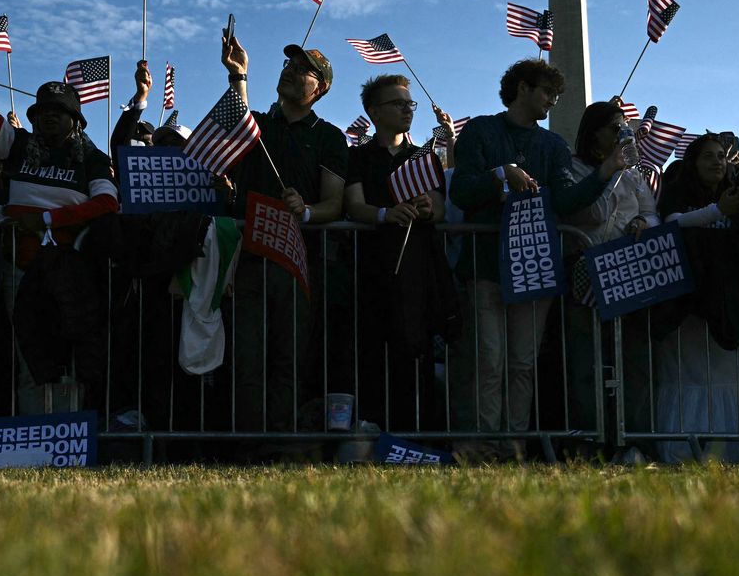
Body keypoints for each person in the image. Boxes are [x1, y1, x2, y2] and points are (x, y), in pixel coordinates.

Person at [448, 57, 626, 457]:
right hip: (486, 265)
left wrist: (607, 171)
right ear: (523, 88)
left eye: (557, 94)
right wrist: (501, 174)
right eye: (547, 91)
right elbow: (461, 191)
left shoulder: (553, 145)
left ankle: (511, 444)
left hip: (536, 265)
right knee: (488, 361)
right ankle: (480, 446)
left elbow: (565, 200)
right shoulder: (480, 130)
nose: (553, 100)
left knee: (522, 363)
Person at [0, 21, 120, 417]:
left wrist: (49, 220)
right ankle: (35, 438)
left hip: (71, 272)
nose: (49, 118)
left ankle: (70, 434)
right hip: (20, 268)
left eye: (60, 112)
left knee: (72, 356)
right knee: (29, 357)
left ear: (77, 121)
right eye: (43, 112)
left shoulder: (93, 159)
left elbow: (107, 205)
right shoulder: (17, 147)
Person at [219, 31, 347, 438]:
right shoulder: (255, 125)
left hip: (299, 266)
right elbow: (231, 126)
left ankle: (280, 442)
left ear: (320, 88)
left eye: (303, 70)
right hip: (249, 260)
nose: (291, 72)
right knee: (247, 357)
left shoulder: (328, 136)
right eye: (289, 65)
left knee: (288, 359)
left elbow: (335, 204)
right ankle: (247, 446)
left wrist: (307, 211)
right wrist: (239, 75)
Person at [652, 133, 739, 464]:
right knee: (690, 380)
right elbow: (671, 223)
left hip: (729, 309)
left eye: (721, 156)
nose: (716, 162)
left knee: (737, 378)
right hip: (688, 312)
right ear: (693, 163)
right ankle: (684, 450)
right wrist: (717, 210)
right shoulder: (679, 193)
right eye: (707, 156)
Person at [342, 73, 459, 435]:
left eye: (410, 104)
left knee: (416, 350)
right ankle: (374, 430)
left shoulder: (422, 158)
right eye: (398, 103)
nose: (407, 110)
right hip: (370, 268)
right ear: (374, 112)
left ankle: (417, 434)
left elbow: (440, 209)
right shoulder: (358, 157)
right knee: (373, 352)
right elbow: (354, 205)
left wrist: (427, 207)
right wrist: (384, 214)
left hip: (418, 271)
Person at [564, 101, 661, 459]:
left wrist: (642, 224)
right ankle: (591, 440)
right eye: (615, 127)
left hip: (629, 270)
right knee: (587, 359)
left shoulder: (636, 174)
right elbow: (592, 213)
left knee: (634, 358)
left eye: (625, 127)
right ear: (595, 132)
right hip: (587, 269)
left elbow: (651, 213)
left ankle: (632, 440)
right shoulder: (575, 169)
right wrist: (610, 170)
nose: (623, 134)